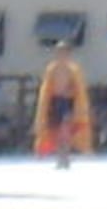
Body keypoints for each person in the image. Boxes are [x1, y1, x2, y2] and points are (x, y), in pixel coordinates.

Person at [32, 40, 94, 168]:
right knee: (56, 132)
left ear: (68, 53)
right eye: (59, 52)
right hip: (55, 102)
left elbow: (78, 89)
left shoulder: (73, 70)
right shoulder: (52, 69)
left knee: (65, 131)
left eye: (64, 52)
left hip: (68, 103)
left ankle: (65, 157)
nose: (61, 54)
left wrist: (70, 93)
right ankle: (60, 158)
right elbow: (47, 88)